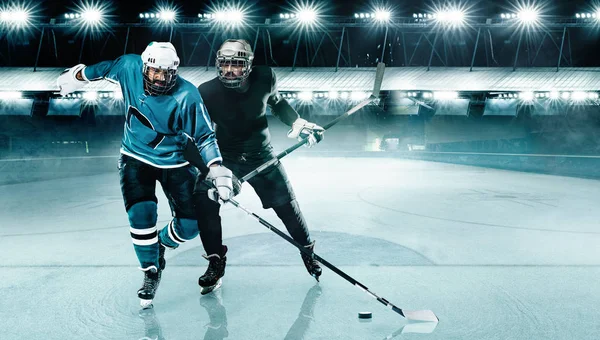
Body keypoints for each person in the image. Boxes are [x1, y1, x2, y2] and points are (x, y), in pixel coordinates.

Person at [57, 41, 235, 307]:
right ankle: (151, 272)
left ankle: (159, 244)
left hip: (175, 163)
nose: (162, 79)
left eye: (168, 73)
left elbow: (205, 136)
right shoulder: (129, 66)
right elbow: (103, 69)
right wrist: (77, 76)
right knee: (140, 216)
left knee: (191, 225)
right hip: (135, 158)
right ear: (144, 68)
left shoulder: (187, 95)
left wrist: (217, 168)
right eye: (156, 72)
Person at [189, 39, 325, 294]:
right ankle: (216, 261)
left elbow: (278, 103)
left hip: (262, 155)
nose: (229, 70)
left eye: (236, 65)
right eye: (225, 64)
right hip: (225, 157)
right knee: (204, 199)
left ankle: (307, 251)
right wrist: (210, 169)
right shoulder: (206, 91)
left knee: (288, 207)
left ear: (249, 66)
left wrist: (298, 123)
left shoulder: (265, 77)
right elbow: (197, 134)